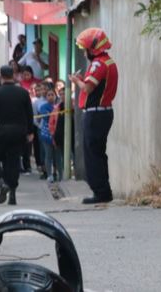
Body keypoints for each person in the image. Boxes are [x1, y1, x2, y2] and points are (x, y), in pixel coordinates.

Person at [68, 27, 119, 205]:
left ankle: (100, 192)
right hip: (103, 113)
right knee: (98, 152)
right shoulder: (109, 62)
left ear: (92, 49)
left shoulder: (98, 64)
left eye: (85, 50)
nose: (84, 54)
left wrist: (76, 81)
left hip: (95, 114)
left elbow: (88, 88)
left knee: (93, 154)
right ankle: (104, 190)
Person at [0, 65, 34, 206]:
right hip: (19, 133)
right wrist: (30, 132)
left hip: (1, 132)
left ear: (1, 77)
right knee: (13, 162)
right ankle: (13, 195)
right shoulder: (23, 93)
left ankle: (1, 182)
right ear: (14, 76)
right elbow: (30, 114)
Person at [38, 84, 60, 183]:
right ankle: (49, 174)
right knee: (48, 155)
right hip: (46, 134)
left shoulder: (59, 106)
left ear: (56, 96)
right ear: (46, 97)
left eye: (52, 94)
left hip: (57, 134)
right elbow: (46, 117)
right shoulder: (43, 107)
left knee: (57, 155)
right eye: (48, 95)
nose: (51, 96)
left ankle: (57, 173)